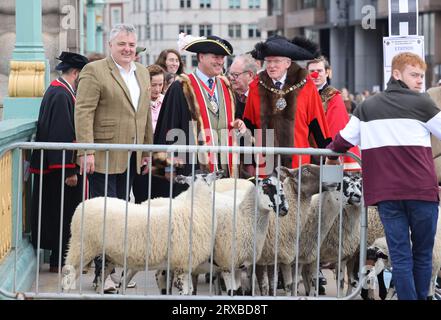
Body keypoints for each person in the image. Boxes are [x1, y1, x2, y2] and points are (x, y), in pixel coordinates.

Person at [327, 52, 441, 300]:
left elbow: (343, 140)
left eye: (422, 75)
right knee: (422, 253)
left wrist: (331, 155)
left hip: (387, 193)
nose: (420, 80)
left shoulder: (367, 107)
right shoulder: (423, 104)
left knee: (400, 255)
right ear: (397, 74)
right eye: (414, 75)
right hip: (421, 191)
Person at [75, 23, 152, 291]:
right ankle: (101, 275)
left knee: (122, 218)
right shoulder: (94, 71)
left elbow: (143, 117)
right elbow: (83, 112)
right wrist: (86, 150)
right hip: (103, 155)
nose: (127, 49)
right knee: (105, 218)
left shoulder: (142, 72)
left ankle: (114, 272)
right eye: (122, 44)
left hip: (131, 156)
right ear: (111, 45)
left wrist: (147, 151)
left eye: (131, 44)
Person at [154, 34, 245, 192]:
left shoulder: (226, 86)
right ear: (201, 57)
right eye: (216, 56)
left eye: (222, 57)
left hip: (224, 168)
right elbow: (169, 128)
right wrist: (168, 167)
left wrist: (237, 122)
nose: (220, 61)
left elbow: (226, 118)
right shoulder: (181, 87)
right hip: (192, 169)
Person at [29, 51, 89, 273]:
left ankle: (61, 258)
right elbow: (61, 134)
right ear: (75, 73)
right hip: (60, 170)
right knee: (62, 213)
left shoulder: (59, 90)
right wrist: (69, 170)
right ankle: (60, 260)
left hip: (55, 167)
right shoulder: (61, 94)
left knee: (60, 212)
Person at [243, 35, 332, 173]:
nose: (271, 66)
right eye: (268, 61)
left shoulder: (307, 86)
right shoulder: (255, 86)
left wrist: (330, 169)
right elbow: (248, 128)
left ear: (288, 63)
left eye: (276, 61)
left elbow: (319, 128)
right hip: (265, 167)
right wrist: (248, 167)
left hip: (299, 166)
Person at [307, 56, 361, 172]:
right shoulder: (303, 96)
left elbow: (335, 129)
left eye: (320, 71)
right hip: (308, 154)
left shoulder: (334, 97)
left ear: (327, 72)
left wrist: (329, 156)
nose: (316, 75)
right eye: (312, 71)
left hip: (325, 155)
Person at [132, 64, 168, 203]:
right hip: (143, 157)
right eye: (154, 85)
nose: (157, 89)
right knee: (142, 197)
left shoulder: (166, 101)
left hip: (161, 158)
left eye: (160, 84)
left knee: (161, 198)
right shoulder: (138, 101)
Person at [227, 53, 259, 119]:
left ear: (250, 75)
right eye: (230, 74)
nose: (231, 78)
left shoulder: (262, 96)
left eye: (235, 75)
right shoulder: (227, 94)